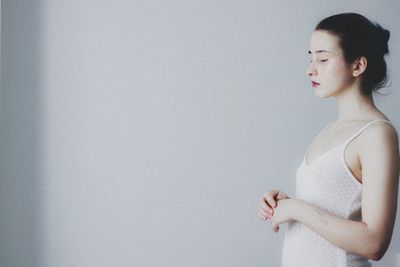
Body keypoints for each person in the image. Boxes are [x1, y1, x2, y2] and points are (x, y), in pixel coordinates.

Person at [257, 13, 399, 266]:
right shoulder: (328, 131)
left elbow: (374, 243)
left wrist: (297, 209)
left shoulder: (377, 134)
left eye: (323, 58)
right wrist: (285, 204)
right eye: (311, 57)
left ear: (358, 66)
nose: (310, 69)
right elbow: (329, 206)